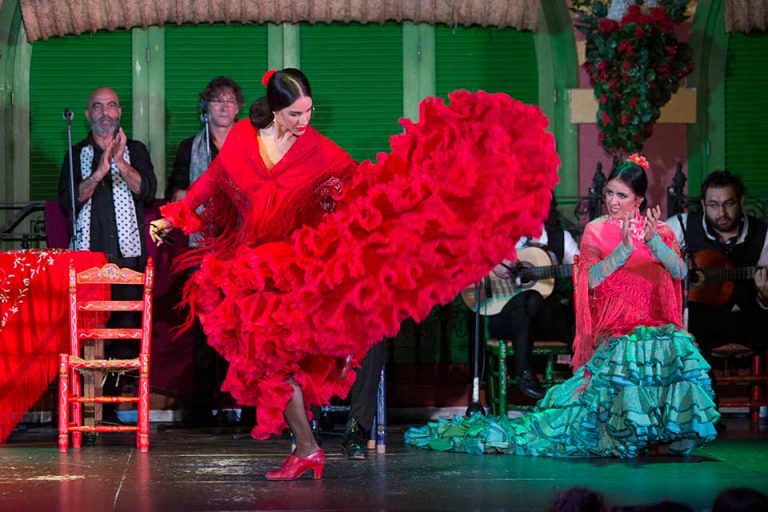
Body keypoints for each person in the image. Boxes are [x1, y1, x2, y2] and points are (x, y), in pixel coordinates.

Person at [150, 69, 561, 479]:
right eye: (295, 114)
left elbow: (366, 193)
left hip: (298, 268)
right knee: (265, 364)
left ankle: (309, 445)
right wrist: (175, 218)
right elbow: (213, 181)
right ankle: (307, 447)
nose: (304, 121)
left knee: (281, 362)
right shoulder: (242, 138)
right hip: (251, 270)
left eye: (308, 112)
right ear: (275, 111)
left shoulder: (320, 152)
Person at [405, 154, 720, 457]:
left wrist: (652, 242)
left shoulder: (660, 230)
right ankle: (626, 430)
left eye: (621, 195)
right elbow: (591, 280)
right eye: (609, 193)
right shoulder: (596, 230)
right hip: (617, 326)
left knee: (676, 347)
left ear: (638, 199)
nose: (612, 201)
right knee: (626, 353)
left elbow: (680, 272)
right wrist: (622, 252)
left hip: (653, 323)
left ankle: (672, 431)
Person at [58, 87, 157, 422]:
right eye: (97, 106)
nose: (105, 112)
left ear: (119, 113)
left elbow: (148, 189)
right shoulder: (76, 154)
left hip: (128, 261)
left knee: (126, 334)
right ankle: (87, 409)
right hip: (87, 263)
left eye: (111, 105)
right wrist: (101, 170)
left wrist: (120, 163)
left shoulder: (137, 150)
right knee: (86, 335)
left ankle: (116, 407)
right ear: (88, 114)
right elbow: (69, 202)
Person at [165, 77, 245, 425]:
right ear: (205, 108)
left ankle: (247, 405)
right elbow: (175, 196)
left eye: (230, 101)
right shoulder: (189, 148)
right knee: (205, 328)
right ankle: (205, 408)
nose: (224, 106)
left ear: (239, 108)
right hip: (203, 249)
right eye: (217, 101)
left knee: (243, 326)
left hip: (243, 246)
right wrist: (202, 194)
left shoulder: (253, 145)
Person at [485, 196, 579, 399]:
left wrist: (587, 272)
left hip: (543, 319)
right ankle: (524, 372)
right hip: (507, 318)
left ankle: (581, 377)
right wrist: (492, 266)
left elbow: (581, 268)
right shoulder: (502, 237)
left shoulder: (560, 238)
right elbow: (472, 272)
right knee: (526, 299)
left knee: (566, 306)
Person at [670, 170, 768, 362]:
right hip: (698, 325)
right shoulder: (683, 224)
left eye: (729, 204)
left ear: (741, 201)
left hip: (747, 322)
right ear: (703, 205)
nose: (721, 213)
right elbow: (648, 254)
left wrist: (765, 296)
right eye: (713, 205)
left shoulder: (762, 234)